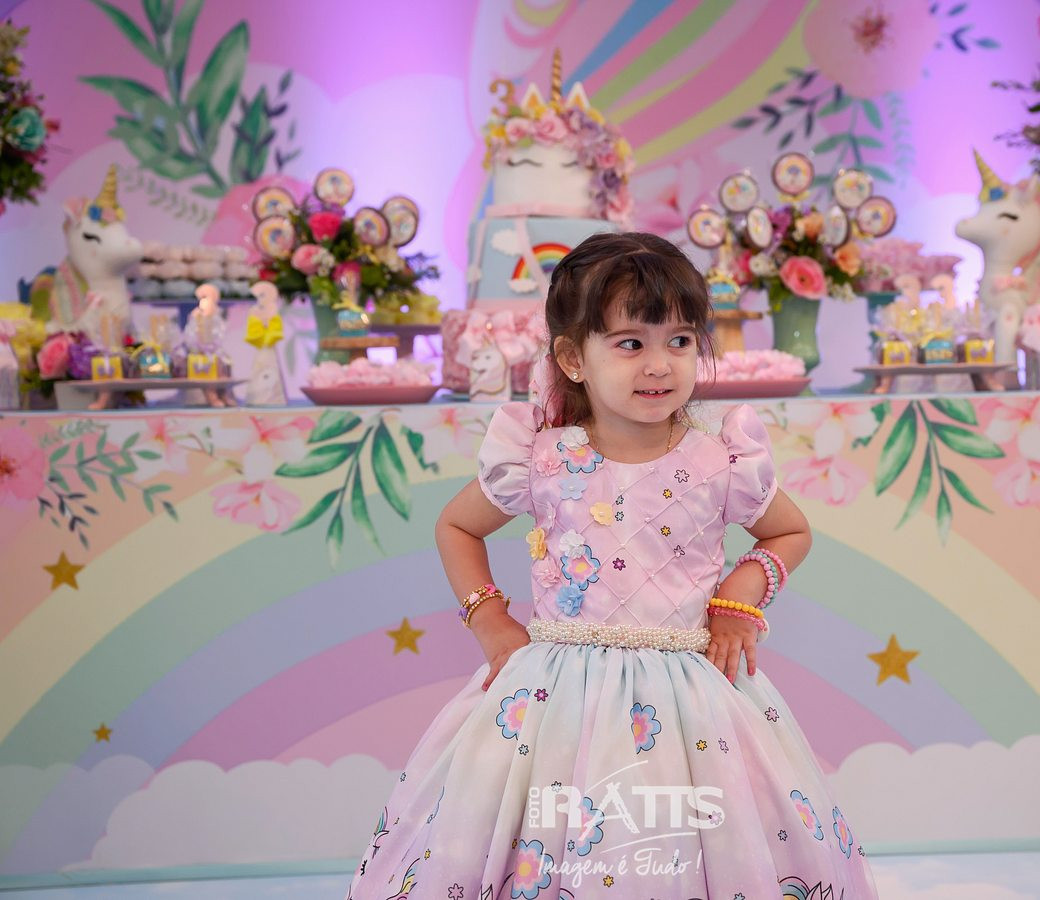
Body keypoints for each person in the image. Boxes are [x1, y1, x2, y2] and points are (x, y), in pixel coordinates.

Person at [345, 233, 877, 899]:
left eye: (679, 341)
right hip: (556, 703)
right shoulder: (540, 459)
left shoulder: (721, 461)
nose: (659, 364)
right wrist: (490, 622)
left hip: (691, 706)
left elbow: (789, 531)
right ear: (573, 358)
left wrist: (739, 596)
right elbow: (455, 526)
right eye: (630, 343)